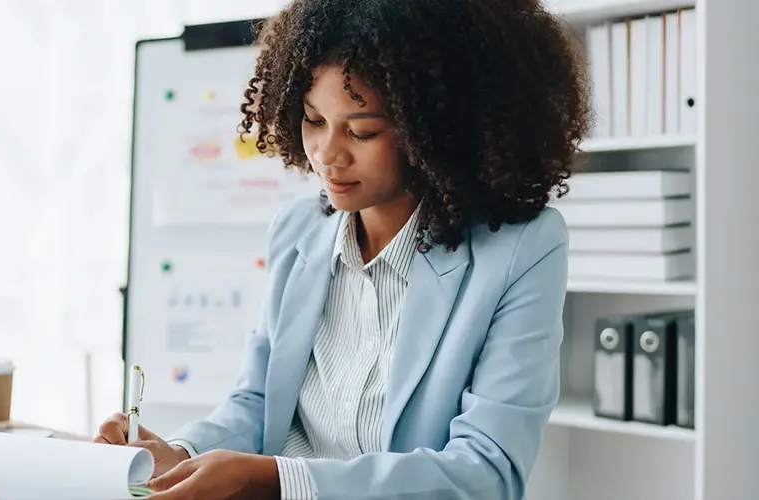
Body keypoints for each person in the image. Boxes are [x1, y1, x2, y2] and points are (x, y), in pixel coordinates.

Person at [95, 0, 590, 498]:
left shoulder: (521, 249)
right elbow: (257, 400)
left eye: (361, 130)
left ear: (438, 130)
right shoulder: (298, 229)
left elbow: (486, 473)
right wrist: (181, 455)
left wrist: (275, 478)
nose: (327, 155)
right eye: (313, 121)